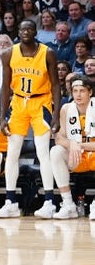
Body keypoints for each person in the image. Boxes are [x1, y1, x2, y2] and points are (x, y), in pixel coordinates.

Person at [0, 18, 59, 219]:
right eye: (22, 29)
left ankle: (49, 201)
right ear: (18, 32)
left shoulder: (47, 52)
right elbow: (5, 87)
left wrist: (56, 115)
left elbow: (56, 85)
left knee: (43, 152)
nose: (26, 32)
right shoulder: (8, 54)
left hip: (41, 104)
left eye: (30, 29)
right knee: (12, 152)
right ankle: (10, 201)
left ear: (35, 32)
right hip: (19, 104)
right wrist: (2, 115)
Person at [48, 76, 95, 219]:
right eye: (75, 91)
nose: (78, 95)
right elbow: (59, 138)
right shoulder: (66, 109)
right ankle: (68, 204)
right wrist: (72, 144)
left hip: (92, 154)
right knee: (56, 151)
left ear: (90, 92)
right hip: (77, 157)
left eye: (82, 91)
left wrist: (79, 144)